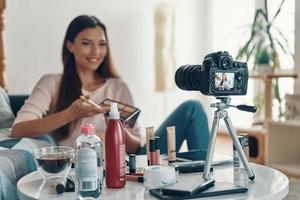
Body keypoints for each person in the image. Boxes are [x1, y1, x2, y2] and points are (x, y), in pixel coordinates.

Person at [11, 15, 209, 159]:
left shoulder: (118, 86)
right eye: (87, 43)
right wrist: (71, 113)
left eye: (102, 44)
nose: (96, 51)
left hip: (134, 159)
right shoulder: (51, 83)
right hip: (86, 163)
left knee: (193, 107)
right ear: (70, 46)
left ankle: (205, 177)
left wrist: (116, 125)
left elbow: (136, 147)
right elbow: (19, 130)